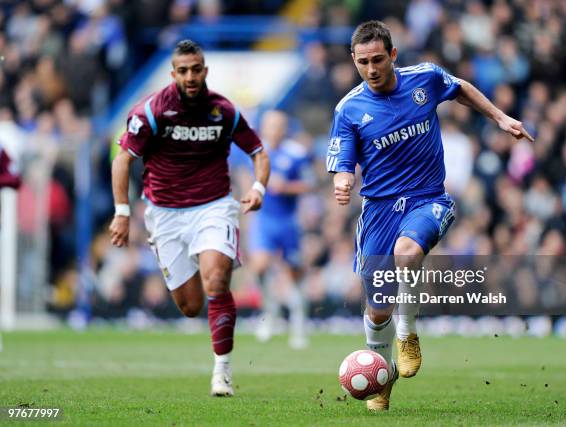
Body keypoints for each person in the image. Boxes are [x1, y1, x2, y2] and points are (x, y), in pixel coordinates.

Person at [326, 21, 533, 411]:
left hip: (428, 198)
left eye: (377, 60)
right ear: (354, 61)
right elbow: (343, 160)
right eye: (362, 62)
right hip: (378, 211)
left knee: (408, 252)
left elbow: (461, 89)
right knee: (376, 308)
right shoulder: (349, 108)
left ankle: (407, 333)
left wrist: (500, 118)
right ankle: (382, 375)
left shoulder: (425, 79)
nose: (371, 69)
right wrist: (342, 181)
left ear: (393, 55)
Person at [109, 40, 270, 397]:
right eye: (183, 70)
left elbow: (258, 150)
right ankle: (201, 274)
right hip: (164, 214)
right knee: (191, 306)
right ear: (173, 74)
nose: (191, 76)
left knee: (216, 279)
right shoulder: (151, 111)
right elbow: (123, 160)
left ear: (205, 71)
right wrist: (122, 212)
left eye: (196, 69)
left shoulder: (223, 111)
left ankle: (222, 372)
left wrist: (258, 187)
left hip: (213, 206)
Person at [248, 110, 314, 349]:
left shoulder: (296, 154)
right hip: (264, 220)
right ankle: (271, 312)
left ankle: (299, 325)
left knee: (294, 273)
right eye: (269, 125)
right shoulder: (257, 151)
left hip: (288, 222)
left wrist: (285, 187)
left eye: (278, 125)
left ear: (285, 128)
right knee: (260, 266)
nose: (273, 130)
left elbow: (310, 184)